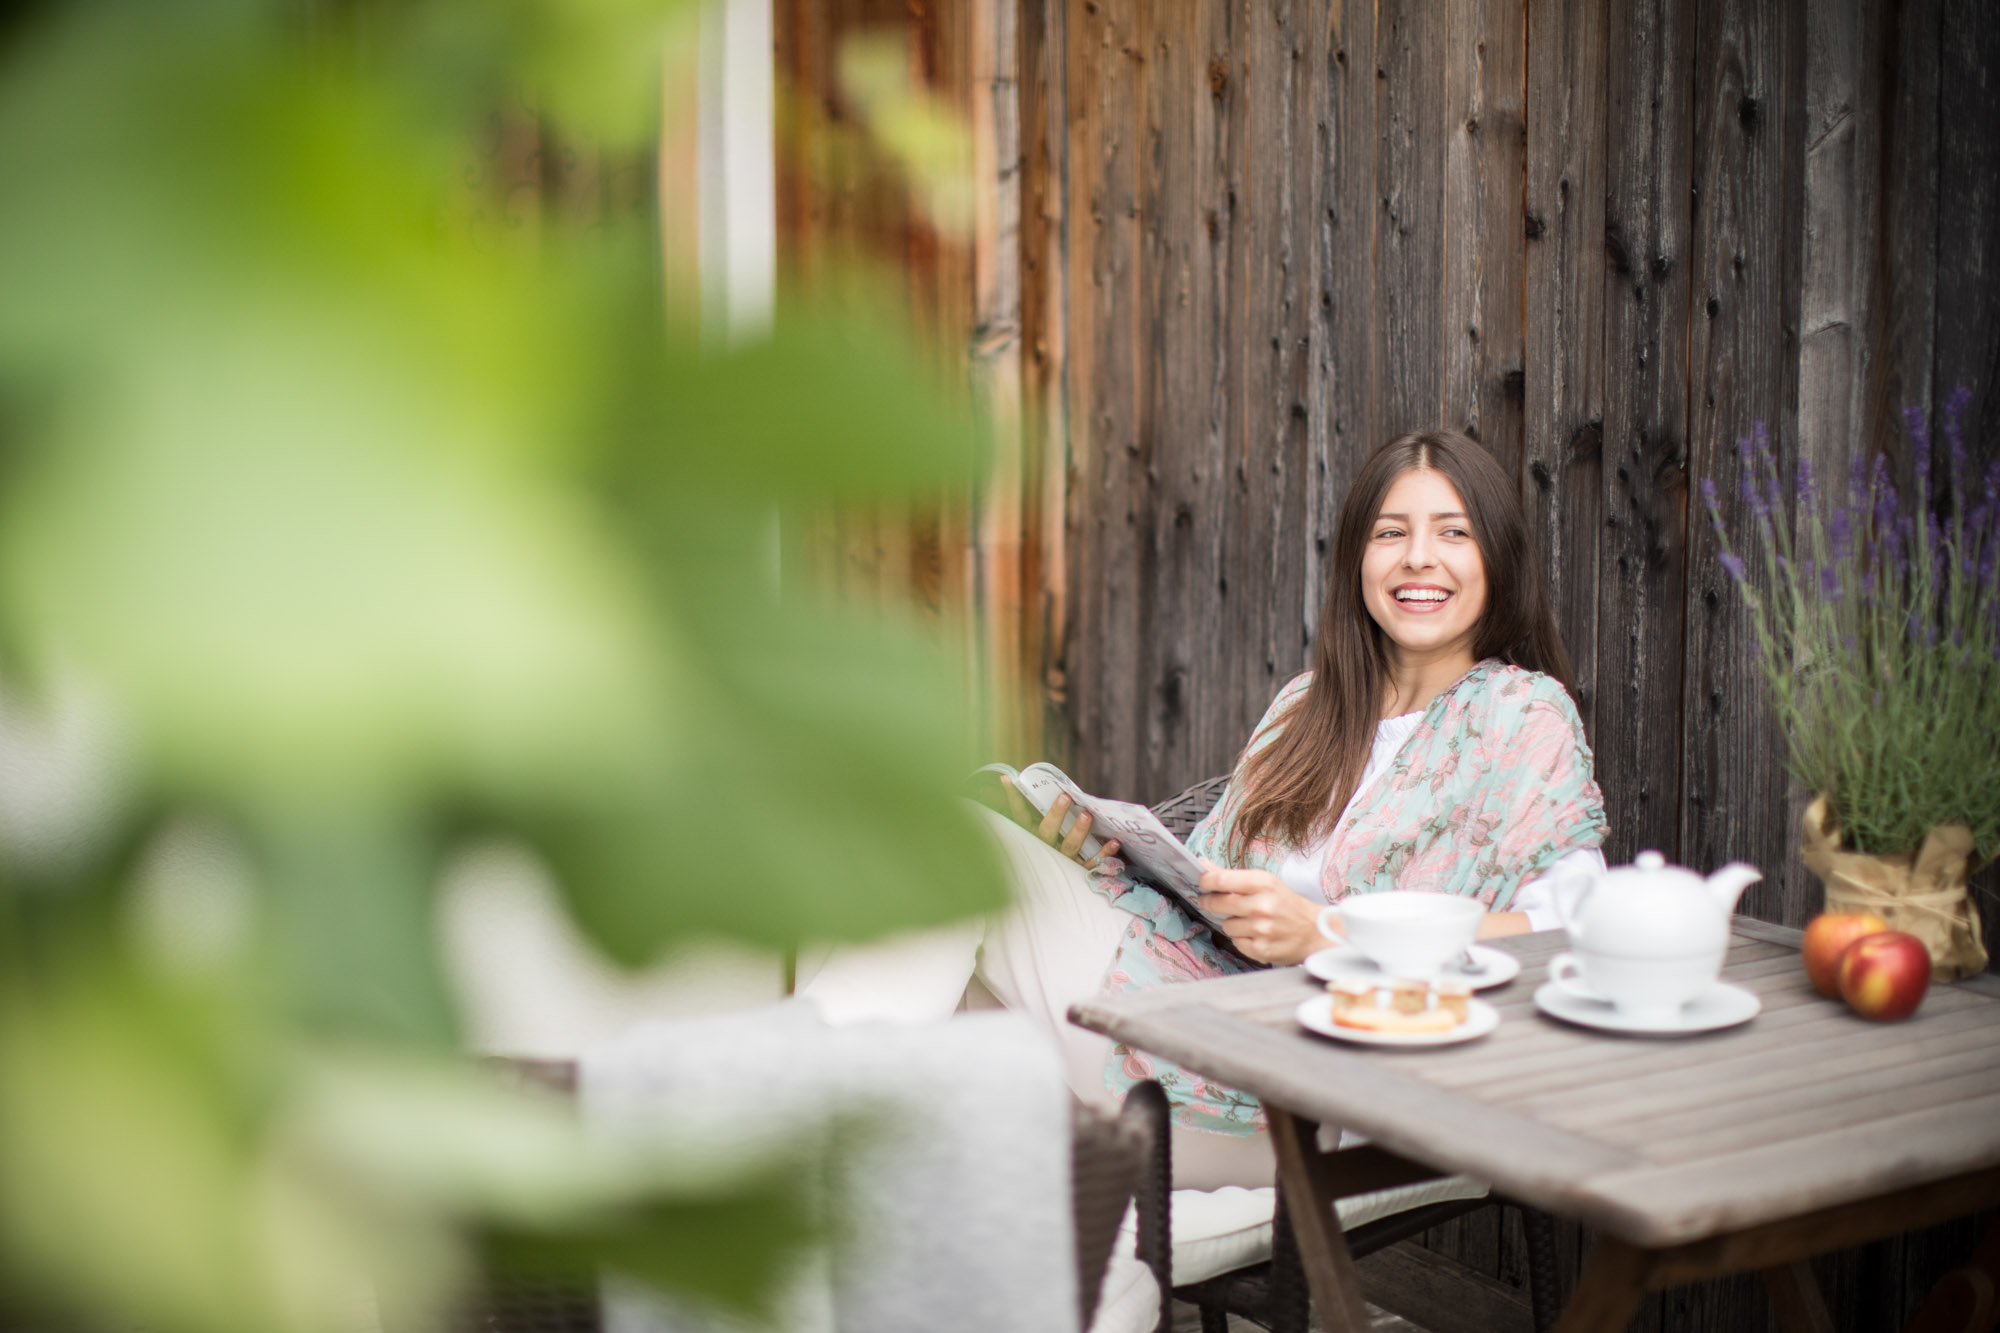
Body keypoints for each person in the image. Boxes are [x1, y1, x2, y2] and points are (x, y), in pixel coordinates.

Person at [802, 429, 1608, 1189]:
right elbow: (1208, 885)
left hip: (1317, 1089)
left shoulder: (1525, 716)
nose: (1418, 558)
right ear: (1359, 558)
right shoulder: (1308, 706)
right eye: (1391, 533)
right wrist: (1098, 855)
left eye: (1453, 532)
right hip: (1196, 999)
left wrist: (1323, 932)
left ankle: (778, 1134)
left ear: (1496, 556)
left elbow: (1567, 932)